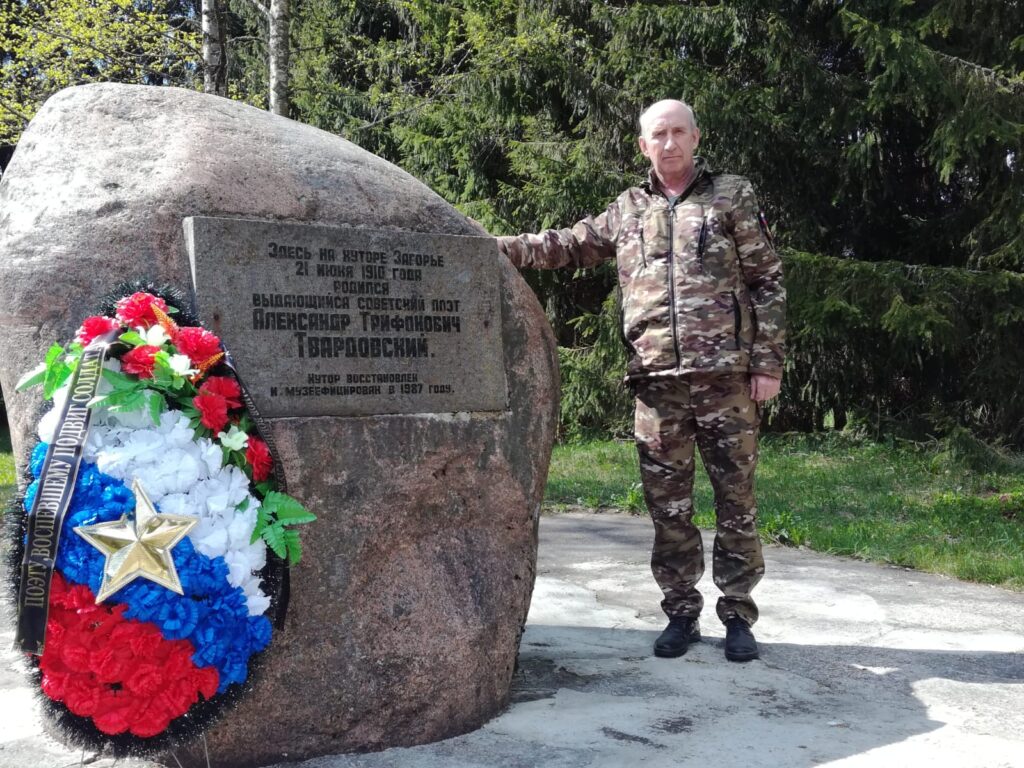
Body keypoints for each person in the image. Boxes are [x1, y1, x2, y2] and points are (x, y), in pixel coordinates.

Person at [496, 99, 785, 662]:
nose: (670, 143)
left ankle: (737, 615)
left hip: (726, 379)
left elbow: (767, 280)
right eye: (660, 134)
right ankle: (681, 613)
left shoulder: (731, 196)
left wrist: (767, 363)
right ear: (643, 145)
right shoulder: (627, 209)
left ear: (696, 137)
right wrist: (497, 248)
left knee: (737, 501)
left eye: (680, 132)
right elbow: (568, 244)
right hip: (656, 383)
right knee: (667, 507)